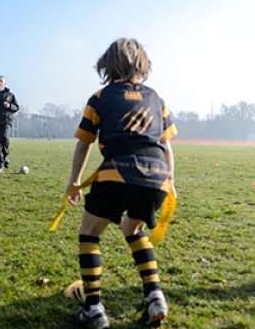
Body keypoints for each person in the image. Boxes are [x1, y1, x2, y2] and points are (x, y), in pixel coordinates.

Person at [64, 38, 177, 328]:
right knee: (133, 228)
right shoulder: (156, 97)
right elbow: (167, 147)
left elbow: (84, 144)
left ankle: (93, 310)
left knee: (89, 234)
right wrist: (171, 182)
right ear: (143, 64)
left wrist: (75, 181)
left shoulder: (100, 97)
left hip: (117, 171)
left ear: (108, 65)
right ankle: (154, 296)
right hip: (157, 176)